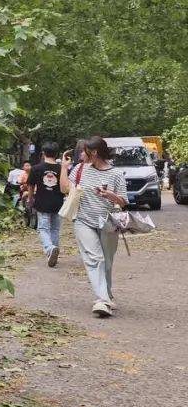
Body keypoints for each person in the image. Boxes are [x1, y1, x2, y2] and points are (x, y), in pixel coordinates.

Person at [60, 136, 128, 318]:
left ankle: (106, 294)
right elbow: (65, 189)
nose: (81, 154)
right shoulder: (80, 169)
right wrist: (64, 169)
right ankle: (102, 300)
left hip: (107, 223)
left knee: (107, 261)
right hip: (83, 221)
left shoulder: (115, 174)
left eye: (84, 151)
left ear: (95, 152)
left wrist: (110, 196)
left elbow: (123, 202)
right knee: (94, 258)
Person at [27, 143, 64, 266]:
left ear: (43, 153)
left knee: (43, 228)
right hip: (58, 202)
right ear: (57, 154)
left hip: (42, 201)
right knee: (55, 228)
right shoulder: (61, 169)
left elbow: (31, 186)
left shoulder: (36, 168)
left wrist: (30, 199)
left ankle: (49, 248)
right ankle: (53, 252)